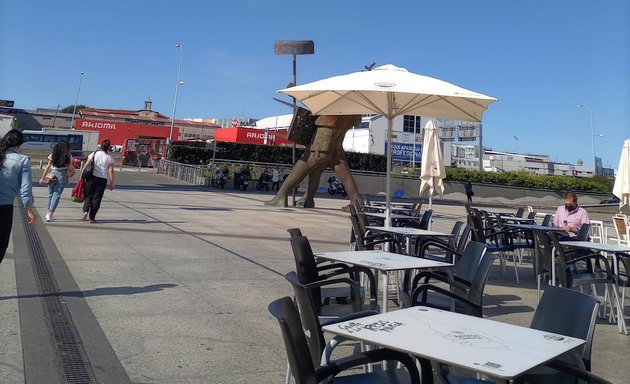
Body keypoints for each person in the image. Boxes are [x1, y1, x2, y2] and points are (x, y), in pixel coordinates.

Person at [0, 130, 37, 262]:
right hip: (4, 208)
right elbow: (25, 190)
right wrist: (30, 211)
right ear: (19, 145)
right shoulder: (22, 160)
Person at [81, 139, 115, 223]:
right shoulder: (110, 158)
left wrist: (82, 173)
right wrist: (111, 182)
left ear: (101, 146)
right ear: (108, 147)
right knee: (97, 198)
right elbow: (111, 171)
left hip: (91, 177)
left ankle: (85, 211)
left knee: (88, 195)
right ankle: (92, 218)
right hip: (102, 179)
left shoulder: (95, 153)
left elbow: (87, 163)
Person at [40, 141, 75, 222]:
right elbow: (70, 168)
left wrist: (43, 177)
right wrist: (73, 172)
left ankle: (48, 212)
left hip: (52, 173)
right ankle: (50, 214)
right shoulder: (68, 155)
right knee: (56, 194)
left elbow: (48, 166)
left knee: (50, 194)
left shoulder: (53, 154)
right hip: (62, 174)